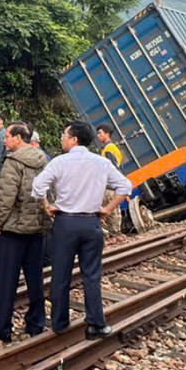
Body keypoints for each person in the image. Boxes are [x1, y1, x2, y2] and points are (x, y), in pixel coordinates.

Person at [31, 120, 132, 340]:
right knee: (92, 275)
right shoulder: (101, 162)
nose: (62, 138)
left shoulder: (60, 162)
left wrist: (47, 206)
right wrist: (107, 210)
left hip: (65, 224)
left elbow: (38, 186)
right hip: (91, 223)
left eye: (64, 135)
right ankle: (96, 324)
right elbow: (125, 186)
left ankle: (59, 323)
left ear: (74, 139)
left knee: (60, 274)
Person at [0, 122, 49, 342]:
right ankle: (36, 323)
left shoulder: (13, 163)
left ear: (18, 138)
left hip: (13, 230)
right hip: (36, 229)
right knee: (35, 278)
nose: (4, 140)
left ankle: (2, 328)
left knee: (6, 280)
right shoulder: (43, 160)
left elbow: (6, 198)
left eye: (7, 136)